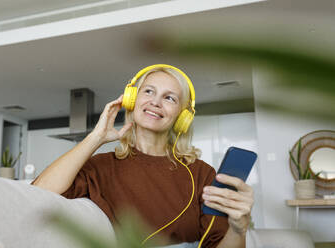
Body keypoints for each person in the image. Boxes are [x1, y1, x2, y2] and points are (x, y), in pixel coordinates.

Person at [31, 65, 254, 248]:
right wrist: (95, 137)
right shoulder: (100, 167)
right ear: (132, 100)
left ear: (182, 116)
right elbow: (38, 193)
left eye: (169, 98)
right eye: (148, 91)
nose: (155, 102)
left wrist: (238, 228)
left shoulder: (202, 174)